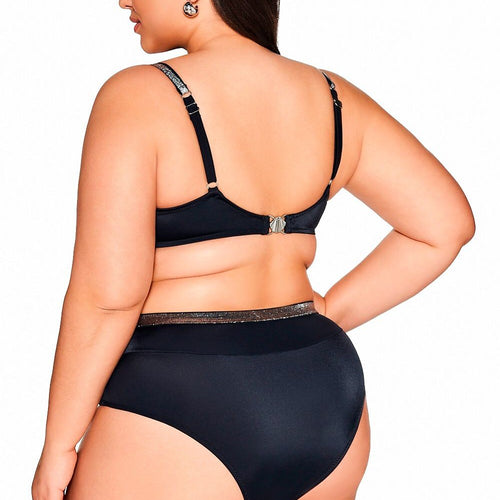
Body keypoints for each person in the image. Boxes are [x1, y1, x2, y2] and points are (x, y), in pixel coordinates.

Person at [31, 1, 475, 499]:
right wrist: (329, 312)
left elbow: (109, 298)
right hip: (321, 391)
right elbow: (444, 226)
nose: (124, 1)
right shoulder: (333, 97)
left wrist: (59, 444)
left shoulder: (138, 95)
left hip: (181, 394)